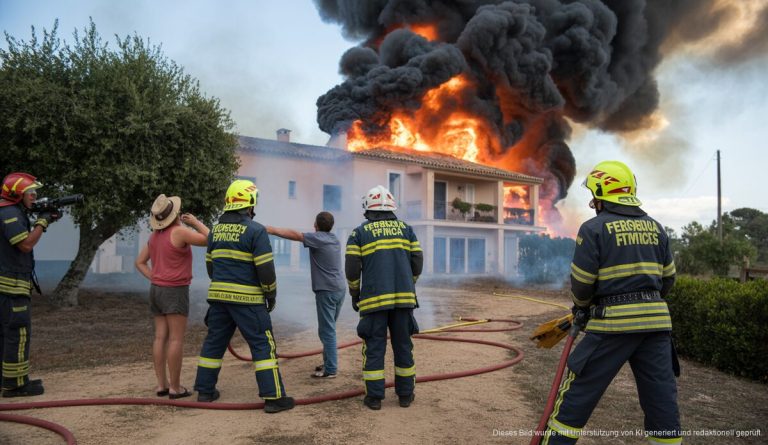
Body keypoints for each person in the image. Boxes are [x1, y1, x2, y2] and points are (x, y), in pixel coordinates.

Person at [543, 161, 681, 444]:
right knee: (661, 401)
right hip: (656, 326)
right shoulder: (656, 228)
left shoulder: (594, 229)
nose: (593, 201)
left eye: (594, 194)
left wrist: (582, 308)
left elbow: (582, 284)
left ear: (602, 193)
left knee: (577, 397)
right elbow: (669, 279)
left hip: (612, 326)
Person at [193, 179, 294, 413]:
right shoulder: (255, 230)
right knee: (262, 344)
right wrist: (270, 294)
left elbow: (210, 266)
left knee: (214, 343)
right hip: (248, 300)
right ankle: (273, 397)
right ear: (249, 204)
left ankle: (205, 392)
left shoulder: (216, 230)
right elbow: (265, 269)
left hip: (218, 297)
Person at [345, 185, 423, 410]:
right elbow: (417, 260)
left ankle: (375, 397)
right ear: (392, 207)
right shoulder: (407, 230)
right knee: (403, 346)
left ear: (368, 209)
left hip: (373, 301)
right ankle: (406, 395)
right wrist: (410, 283)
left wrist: (354, 292)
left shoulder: (359, 233)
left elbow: (352, 267)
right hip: (403, 300)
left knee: (375, 347)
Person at [135, 194, 209, 399]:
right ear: (175, 214)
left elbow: (139, 262)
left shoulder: (154, 237)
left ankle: (162, 385)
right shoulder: (179, 232)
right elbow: (211, 239)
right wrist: (195, 222)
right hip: (175, 291)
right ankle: (176, 388)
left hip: (156, 290)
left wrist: (156, 277)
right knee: (176, 339)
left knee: (160, 337)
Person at [267, 211, 346, 379]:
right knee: (328, 329)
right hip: (339, 289)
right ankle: (328, 362)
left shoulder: (318, 239)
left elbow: (295, 235)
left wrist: (271, 230)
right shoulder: (334, 239)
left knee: (327, 331)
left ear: (316, 226)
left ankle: (331, 369)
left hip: (327, 291)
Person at [0, 172, 57, 397]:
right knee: (18, 333)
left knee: (5, 335)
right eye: (29, 192)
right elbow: (24, 245)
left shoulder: (8, 210)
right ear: (16, 194)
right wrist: (43, 223)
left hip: (6, 287)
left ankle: (8, 380)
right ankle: (16, 385)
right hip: (11, 287)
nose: (34, 196)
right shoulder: (10, 214)